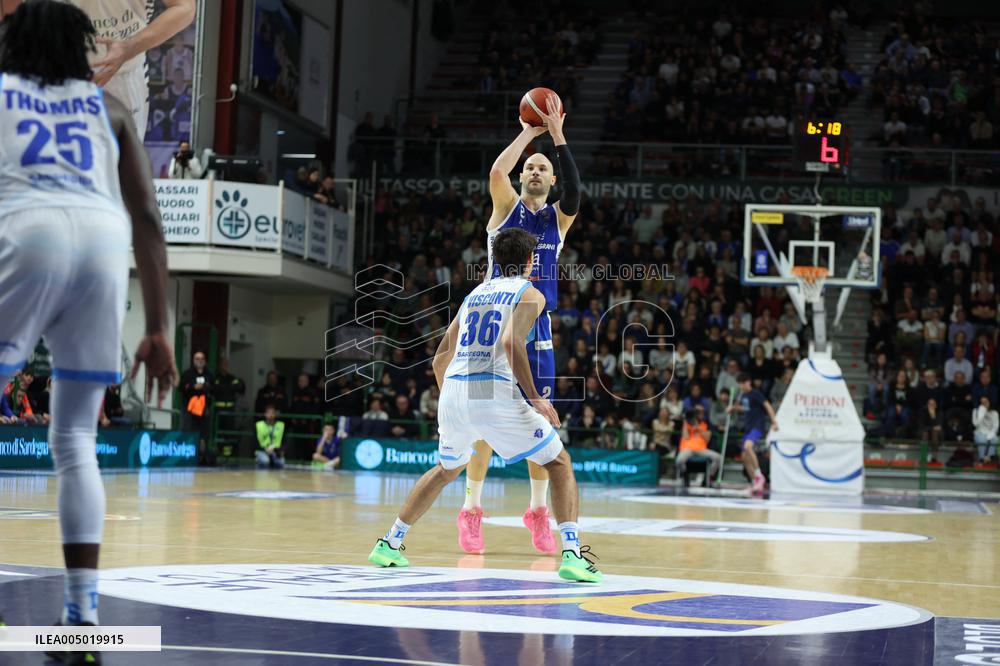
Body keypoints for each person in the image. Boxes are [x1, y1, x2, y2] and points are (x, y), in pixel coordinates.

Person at [0, 1, 177, 656]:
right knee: (74, 437)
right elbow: (150, 223)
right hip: (103, 247)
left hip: (27, 227)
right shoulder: (113, 110)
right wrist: (157, 327)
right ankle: (81, 616)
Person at [369, 228, 602, 583]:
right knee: (558, 461)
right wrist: (536, 398)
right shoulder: (530, 292)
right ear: (529, 262)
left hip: (454, 391)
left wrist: (455, 401)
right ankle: (572, 554)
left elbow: (438, 360)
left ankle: (390, 542)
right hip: (492, 391)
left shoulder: (473, 294)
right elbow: (511, 341)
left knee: (446, 470)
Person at [458, 93, 581, 557]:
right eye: (529, 167)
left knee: (539, 422)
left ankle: (537, 512)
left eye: (541, 168)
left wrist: (557, 137)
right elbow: (495, 173)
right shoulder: (505, 208)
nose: (533, 170)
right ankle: (471, 510)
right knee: (486, 428)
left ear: (550, 181)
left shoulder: (558, 218)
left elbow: (576, 191)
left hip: (538, 328)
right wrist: (529, 134)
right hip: (493, 324)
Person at [3, 0, 196, 136]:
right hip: (48, 74)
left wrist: (129, 47)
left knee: (117, 180)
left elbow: (184, 7)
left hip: (121, 75)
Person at [729, 373, 778, 496]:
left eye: (742, 384)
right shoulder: (744, 395)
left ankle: (759, 475)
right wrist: (734, 408)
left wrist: (774, 421)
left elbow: (767, 405)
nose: (741, 387)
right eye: (739, 384)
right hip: (748, 428)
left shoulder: (755, 393)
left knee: (749, 446)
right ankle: (755, 482)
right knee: (744, 457)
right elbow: (746, 408)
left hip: (757, 427)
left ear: (748, 382)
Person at [179, 350, 212, 463]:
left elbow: (213, 388)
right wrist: (193, 387)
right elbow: (182, 388)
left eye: (202, 359)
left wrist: (204, 388)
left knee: (204, 434)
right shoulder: (187, 374)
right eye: (197, 359)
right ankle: (187, 457)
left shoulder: (209, 374)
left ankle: (203, 457)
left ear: (205, 361)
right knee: (189, 431)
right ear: (193, 360)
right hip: (190, 410)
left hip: (204, 410)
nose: (199, 361)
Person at [676, 409, 723, 484]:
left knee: (718, 457)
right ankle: (685, 476)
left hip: (701, 449)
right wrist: (685, 421)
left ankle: (708, 478)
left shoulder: (705, 425)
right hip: (688, 449)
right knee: (679, 460)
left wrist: (698, 428)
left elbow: (707, 438)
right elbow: (686, 437)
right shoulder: (686, 425)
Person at [255, 404, 285, 469]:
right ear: (265, 414)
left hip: (275, 451)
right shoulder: (259, 425)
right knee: (265, 461)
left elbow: (284, 442)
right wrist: (265, 449)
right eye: (268, 413)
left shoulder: (281, 425)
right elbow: (254, 443)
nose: (270, 415)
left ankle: (272, 462)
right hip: (262, 450)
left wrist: (278, 450)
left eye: (272, 413)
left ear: (275, 414)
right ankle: (259, 460)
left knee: (281, 462)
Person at [972, 397, 999, 463]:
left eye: (986, 402)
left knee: (994, 439)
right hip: (979, 432)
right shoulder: (975, 411)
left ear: (989, 402)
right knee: (982, 439)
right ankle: (982, 458)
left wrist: (991, 434)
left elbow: (996, 426)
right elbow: (975, 424)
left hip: (991, 432)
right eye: (982, 403)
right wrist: (981, 413)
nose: (984, 404)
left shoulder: (994, 412)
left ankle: (989, 458)